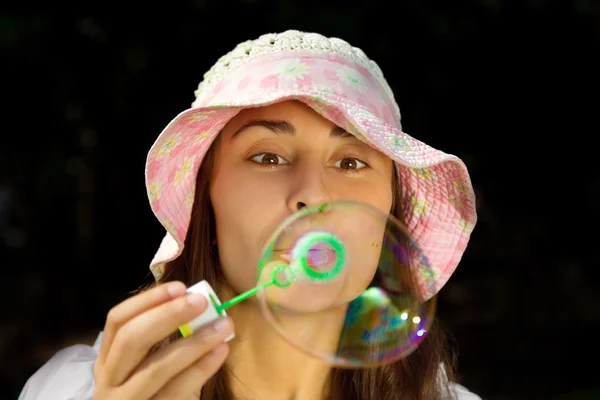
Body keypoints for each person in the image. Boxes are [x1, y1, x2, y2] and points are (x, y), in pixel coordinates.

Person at [18, 30, 481, 400]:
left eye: (351, 163)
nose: (312, 195)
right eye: (268, 157)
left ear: (388, 215)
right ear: (204, 202)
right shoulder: (77, 391)